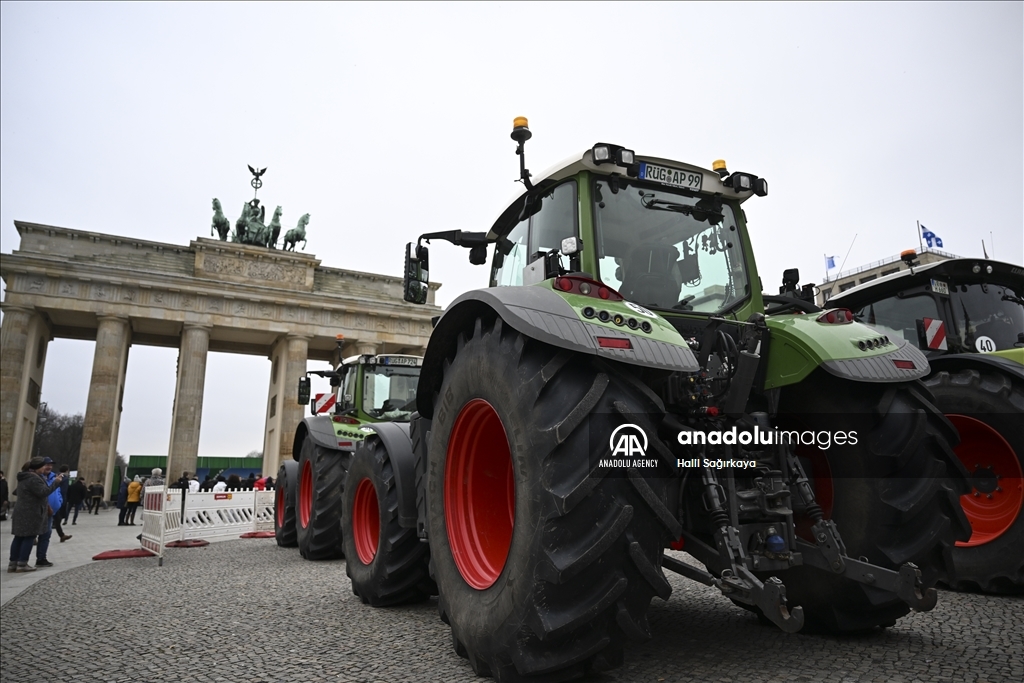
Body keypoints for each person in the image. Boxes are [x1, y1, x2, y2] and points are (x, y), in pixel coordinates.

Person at [8, 456, 63, 572]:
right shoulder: (34, 479)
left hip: (22, 511)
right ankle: (22, 563)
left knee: (18, 537)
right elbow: (44, 492)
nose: (45, 468)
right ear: (38, 467)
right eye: (43, 466)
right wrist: (56, 482)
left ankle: (13, 563)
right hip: (31, 512)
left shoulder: (24, 477)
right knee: (29, 537)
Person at [35, 458, 63, 566]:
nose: (49, 467)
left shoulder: (54, 477)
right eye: (47, 465)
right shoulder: (37, 477)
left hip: (51, 512)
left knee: (46, 535)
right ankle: (20, 561)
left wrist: (59, 501)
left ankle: (41, 558)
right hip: (37, 510)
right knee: (30, 536)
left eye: (50, 465)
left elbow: (57, 491)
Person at [51, 464, 72, 543]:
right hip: (59, 499)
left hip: (52, 498)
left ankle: (62, 535)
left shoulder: (56, 476)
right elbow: (63, 491)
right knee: (57, 518)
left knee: (56, 519)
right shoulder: (65, 478)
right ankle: (61, 535)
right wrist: (62, 501)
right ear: (67, 470)